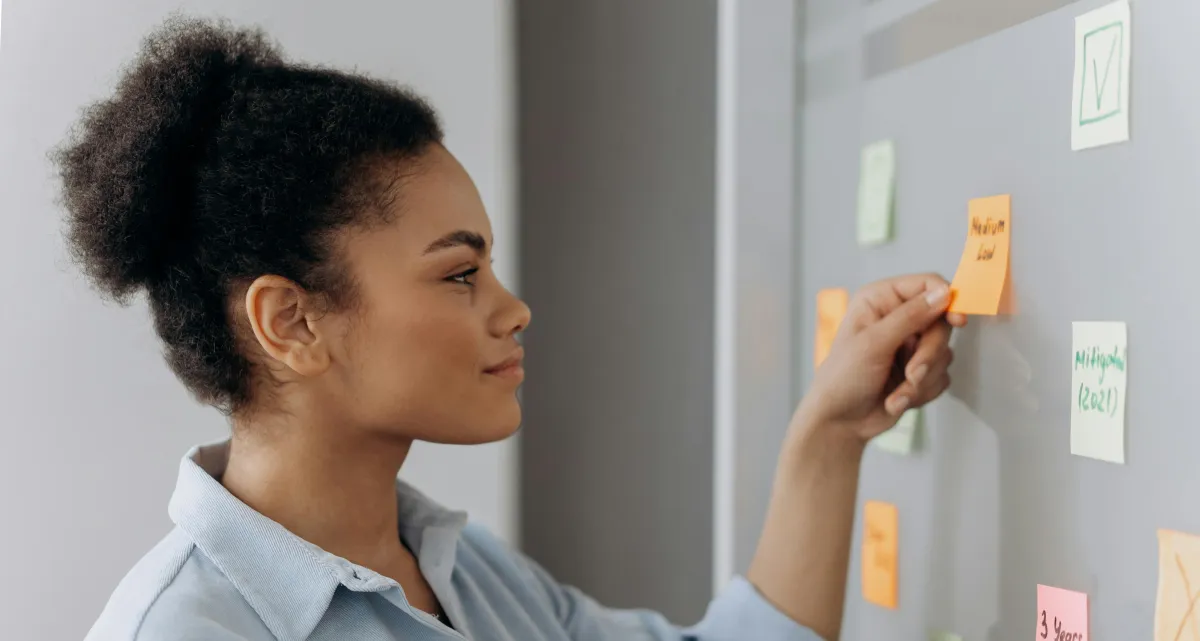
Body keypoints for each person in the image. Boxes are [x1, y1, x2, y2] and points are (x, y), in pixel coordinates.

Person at [60, 16, 965, 641]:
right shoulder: (185, 628)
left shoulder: (467, 572)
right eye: (460, 273)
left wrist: (832, 432)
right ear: (292, 322)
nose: (513, 307)